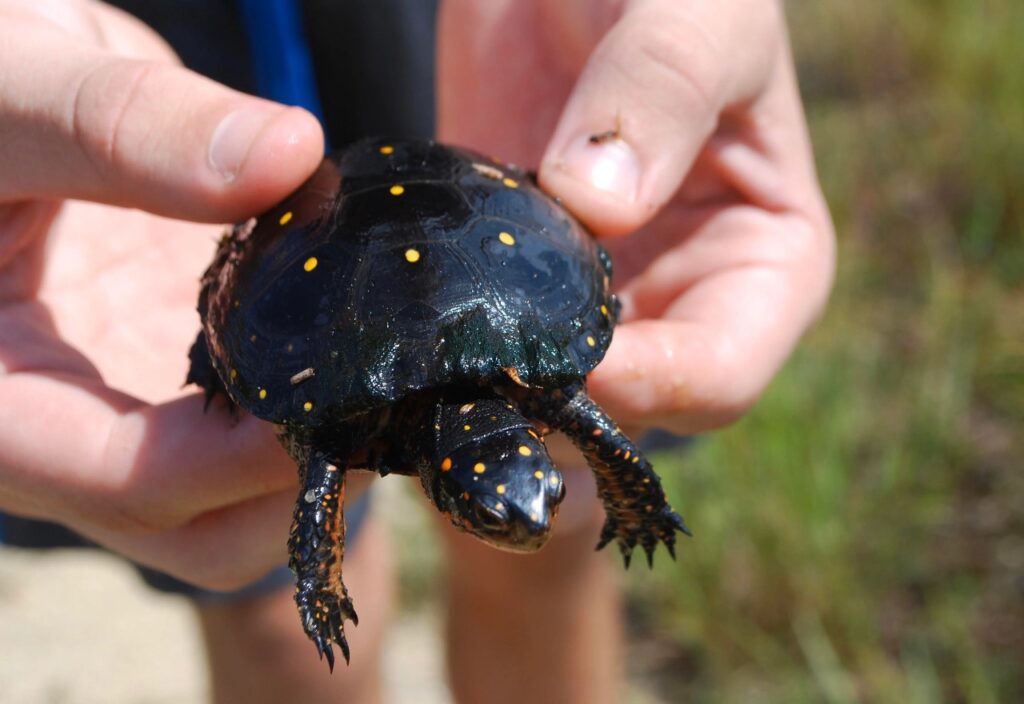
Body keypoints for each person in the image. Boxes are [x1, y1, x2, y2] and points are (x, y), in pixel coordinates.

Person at [0, 1, 835, 703]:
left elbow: (597, 441)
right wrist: (319, 582)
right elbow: (320, 488)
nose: (526, 519)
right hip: (195, 68)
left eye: (519, 502)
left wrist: (631, 499)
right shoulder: (398, 411)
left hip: (452, 46)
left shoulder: (530, 393)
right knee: (262, 600)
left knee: (560, 537)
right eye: (500, 516)